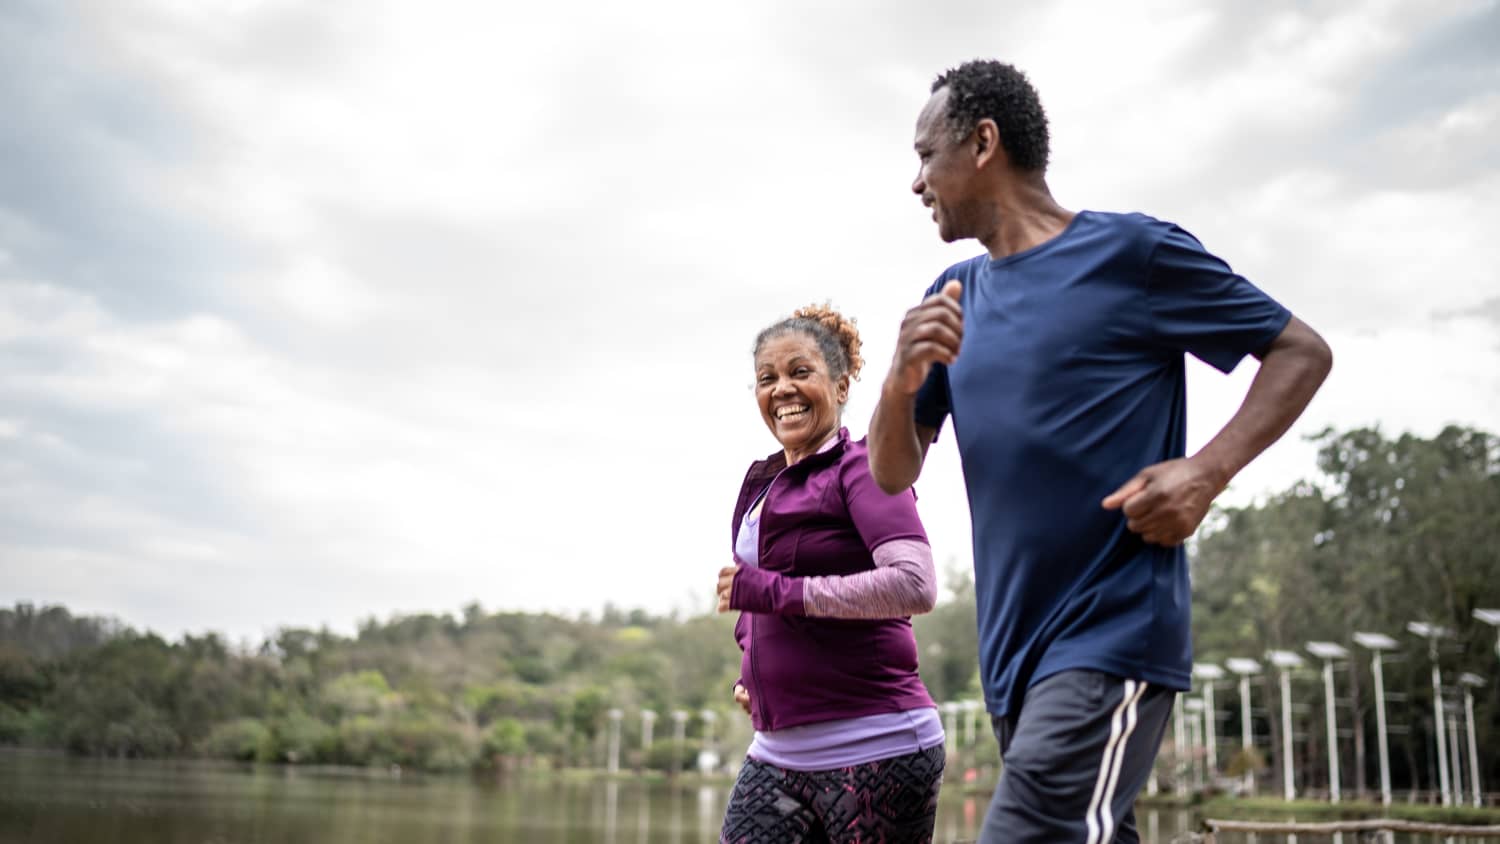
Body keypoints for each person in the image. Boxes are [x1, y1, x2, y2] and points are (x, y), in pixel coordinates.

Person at [868, 60, 1333, 843]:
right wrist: (896, 380)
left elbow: (1299, 350)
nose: (917, 182)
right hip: (1012, 653)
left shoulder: (1131, 253)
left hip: (1111, 633)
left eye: (925, 155)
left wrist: (1207, 471)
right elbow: (892, 470)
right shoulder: (952, 293)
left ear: (983, 143)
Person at [716, 304, 947, 844]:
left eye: (801, 372)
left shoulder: (864, 468)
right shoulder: (765, 486)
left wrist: (773, 592)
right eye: (767, 378)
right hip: (776, 752)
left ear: (841, 386)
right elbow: (761, 608)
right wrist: (753, 672)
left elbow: (915, 584)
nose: (782, 390)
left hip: (877, 748)